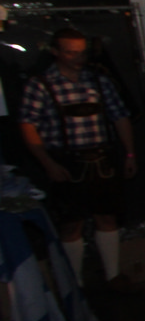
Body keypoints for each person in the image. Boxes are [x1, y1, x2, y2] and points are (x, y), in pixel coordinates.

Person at [18, 27, 137, 290]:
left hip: (101, 158)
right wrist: (47, 163)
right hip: (65, 160)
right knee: (72, 224)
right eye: (71, 53)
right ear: (55, 52)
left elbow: (120, 117)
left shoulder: (98, 81)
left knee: (107, 217)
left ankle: (112, 276)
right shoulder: (41, 84)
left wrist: (129, 153)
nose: (78, 58)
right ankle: (75, 284)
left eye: (82, 53)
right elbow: (27, 125)